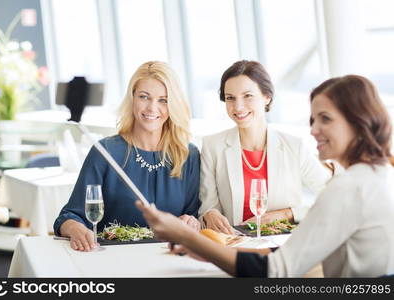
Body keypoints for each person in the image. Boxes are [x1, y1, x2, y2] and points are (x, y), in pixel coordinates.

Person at [137, 74, 394, 277]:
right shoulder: (378, 174)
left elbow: (275, 271)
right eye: (313, 119)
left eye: (325, 119)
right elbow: (295, 252)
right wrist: (212, 251)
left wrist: (184, 235)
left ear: (358, 121)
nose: (314, 130)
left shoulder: (348, 187)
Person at [54, 61, 201, 251]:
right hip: (115, 260)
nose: (151, 108)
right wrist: (74, 228)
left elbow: (194, 215)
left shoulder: (188, 154)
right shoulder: (105, 152)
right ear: (132, 99)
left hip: (170, 258)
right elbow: (70, 216)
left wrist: (192, 222)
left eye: (163, 100)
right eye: (144, 97)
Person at [199, 60, 331, 234]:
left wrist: (289, 213)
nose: (238, 107)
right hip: (236, 245)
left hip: (284, 244)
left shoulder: (294, 147)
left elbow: (333, 197)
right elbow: (207, 207)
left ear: (266, 97)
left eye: (247, 96)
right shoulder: (212, 146)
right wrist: (210, 214)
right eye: (230, 98)